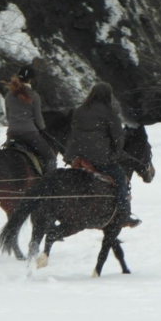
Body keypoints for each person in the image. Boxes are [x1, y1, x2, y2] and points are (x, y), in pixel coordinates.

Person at [64, 82, 140, 227]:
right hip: (100, 158)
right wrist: (117, 153)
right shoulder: (110, 113)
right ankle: (123, 213)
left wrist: (70, 155)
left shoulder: (79, 110)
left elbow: (73, 133)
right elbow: (118, 137)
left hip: (78, 156)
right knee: (119, 176)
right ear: (108, 96)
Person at [4, 65, 57, 174]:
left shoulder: (9, 94)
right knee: (50, 157)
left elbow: (8, 116)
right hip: (29, 133)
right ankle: (49, 183)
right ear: (31, 80)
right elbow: (38, 118)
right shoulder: (34, 95)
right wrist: (42, 129)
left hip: (11, 134)